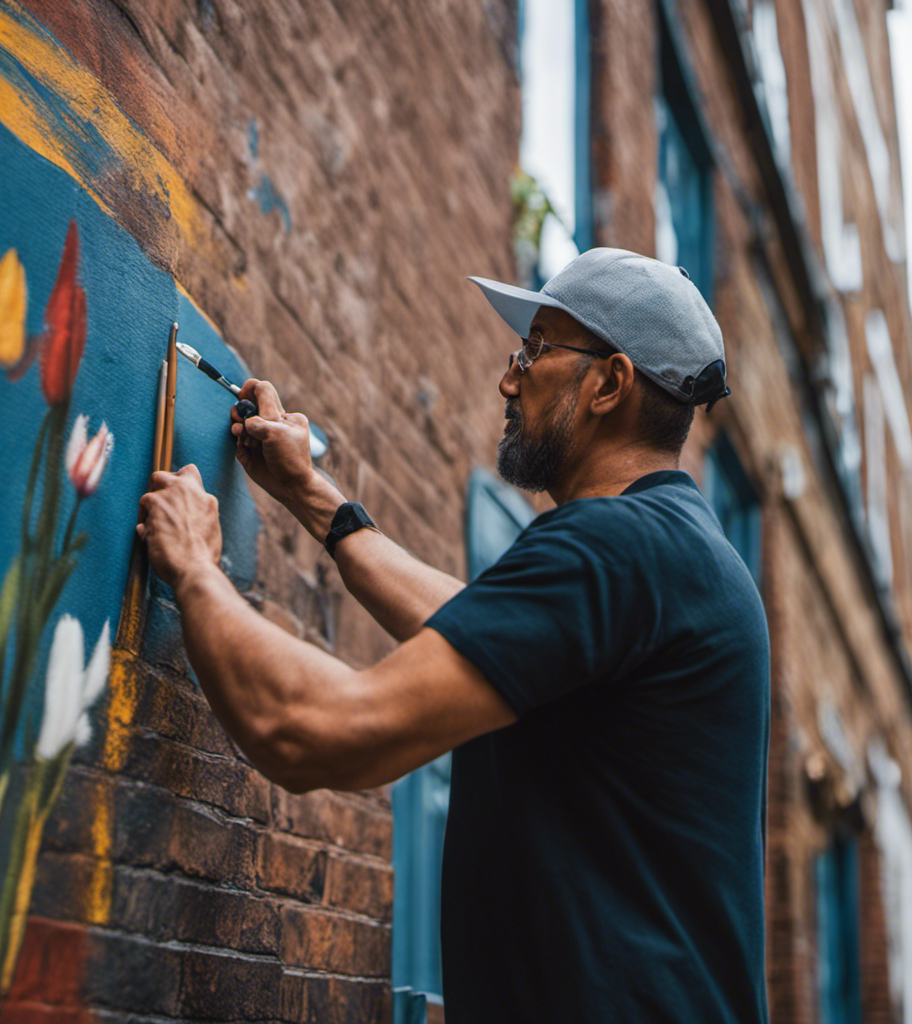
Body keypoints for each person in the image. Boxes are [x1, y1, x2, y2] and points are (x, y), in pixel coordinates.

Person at [137, 247, 770, 1024]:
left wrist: (197, 568)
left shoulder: (613, 547)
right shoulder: (678, 551)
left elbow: (314, 733)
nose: (509, 378)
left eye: (536, 351)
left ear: (609, 383)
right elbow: (476, 626)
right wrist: (313, 495)